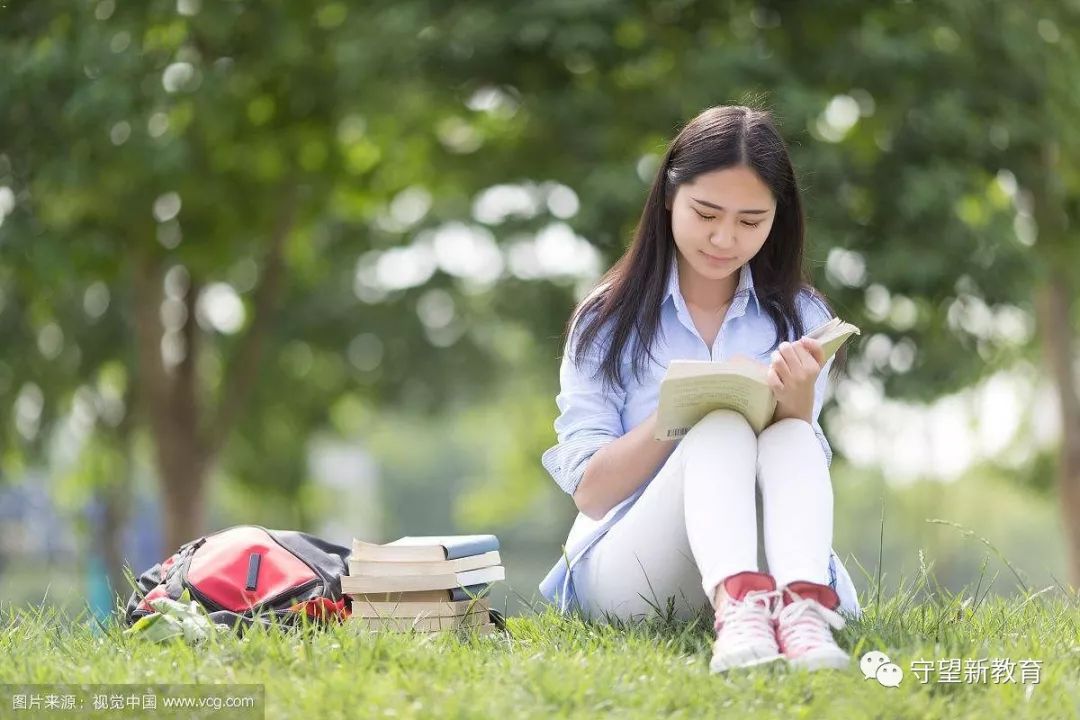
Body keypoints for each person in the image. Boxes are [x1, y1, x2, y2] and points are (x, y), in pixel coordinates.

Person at [538, 105, 860, 673]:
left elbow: (799, 470)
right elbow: (589, 495)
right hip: (635, 566)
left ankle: (803, 617)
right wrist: (674, 417)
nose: (724, 238)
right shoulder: (607, 320)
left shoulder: (799, 316)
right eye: (706, 212)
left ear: (777, 219)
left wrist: (797, 404)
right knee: (717, 424)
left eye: (751, 221)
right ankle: (739, 617)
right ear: (668, 196)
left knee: (792, 436)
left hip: (765, 558)